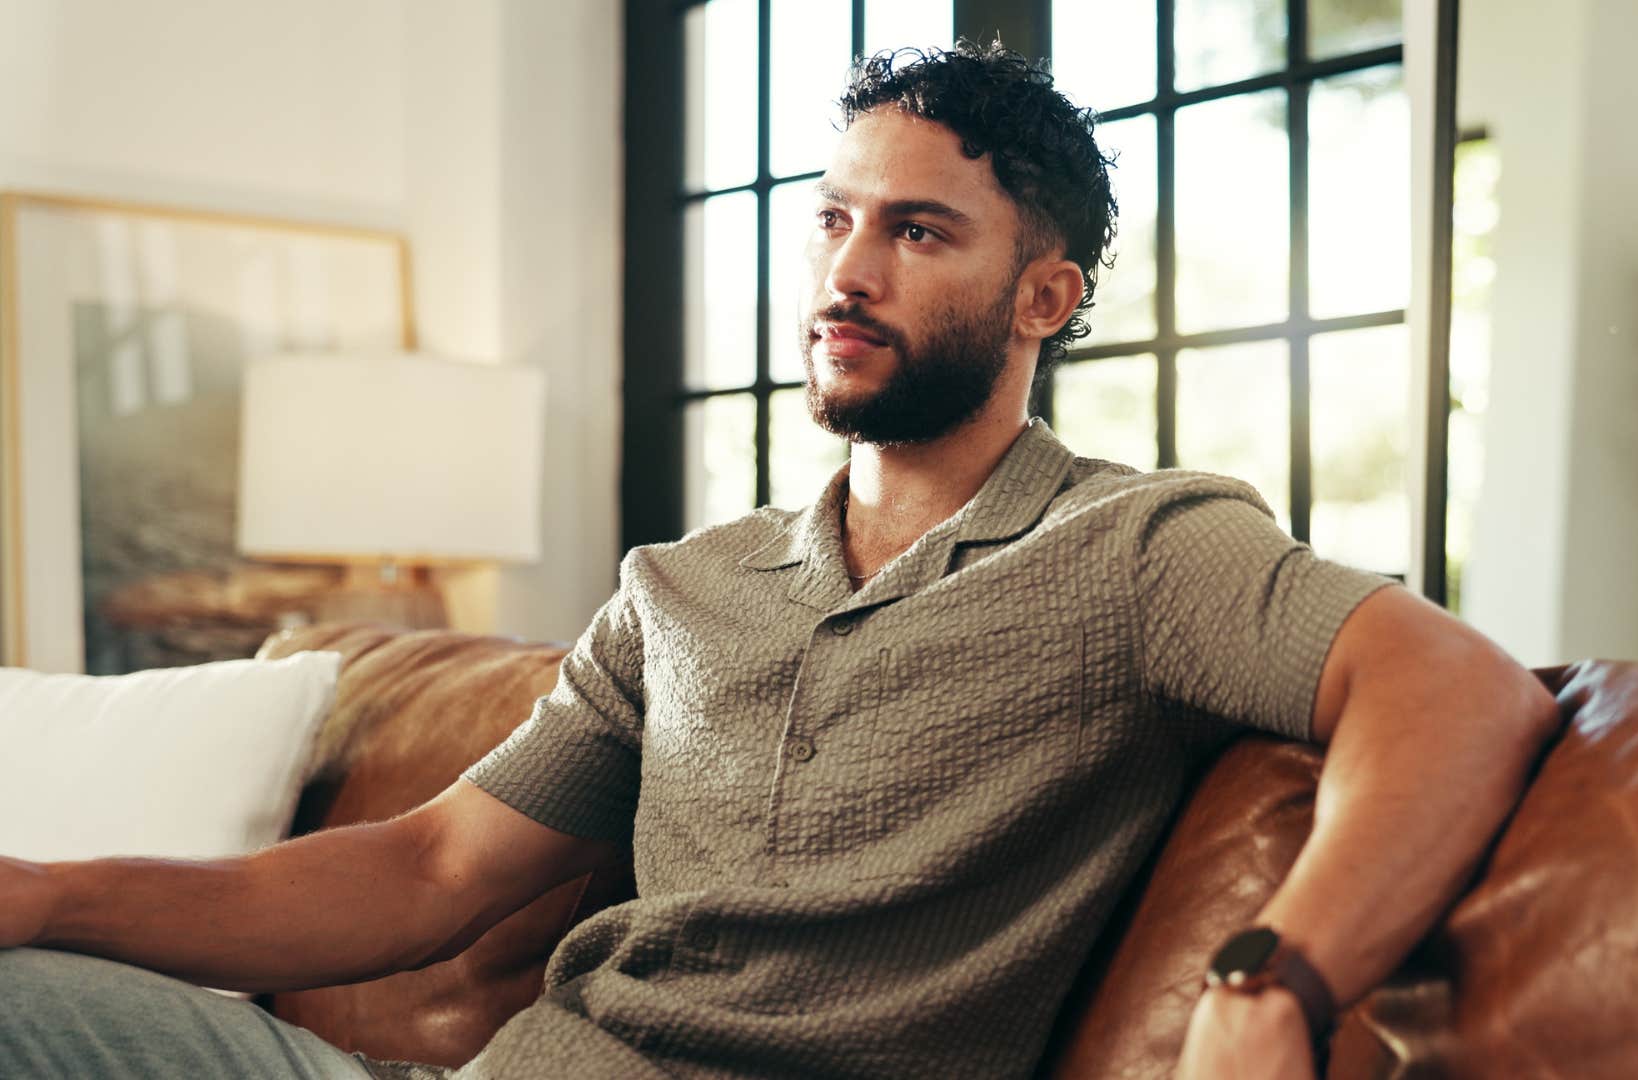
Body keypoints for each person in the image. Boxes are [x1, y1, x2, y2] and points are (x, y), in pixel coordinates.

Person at [0, 42, 1557, 1080]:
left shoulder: (1138, 548)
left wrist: (1274, 981)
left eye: (921, 233)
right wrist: (45, 891)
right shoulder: (682, 588)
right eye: (833, 220)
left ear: (1045, 297)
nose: (848, 271)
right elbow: (431, 871)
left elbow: (1460, 688)